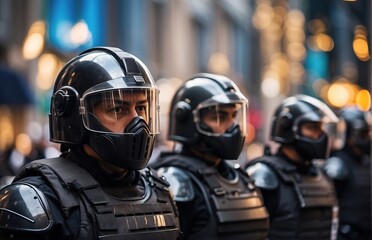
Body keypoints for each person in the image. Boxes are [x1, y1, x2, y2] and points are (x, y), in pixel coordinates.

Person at [0, 47, 180, 239]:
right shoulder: (37, 202)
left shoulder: (160, 190)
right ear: (76, 118)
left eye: (142, 107)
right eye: (117, 109)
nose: (138, 122)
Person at [151, 73, 269, 240]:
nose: (232, 127)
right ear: (188, 121)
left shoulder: (240, 177)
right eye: (219, 117)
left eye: (233, 115)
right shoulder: (175, 181)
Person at [245, 94, 343, 240]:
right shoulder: (264, 176)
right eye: (313, 128)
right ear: (288, 128)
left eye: (321, 128)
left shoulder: (323, 177)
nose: (321, 136)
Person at [323, 106, 371, 240]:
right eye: (363, 133)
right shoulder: (337, 165)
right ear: (348, 134)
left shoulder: (366, 162)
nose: (368, 138)